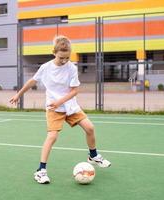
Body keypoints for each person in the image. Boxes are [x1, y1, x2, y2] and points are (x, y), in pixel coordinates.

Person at [9, 35, 111, 184]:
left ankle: (93, 156)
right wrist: (18, 94)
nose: (64, 61)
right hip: (53, 108)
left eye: (67, 58)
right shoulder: (46, 68)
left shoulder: (71, 68)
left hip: (69, 106)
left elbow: (74, 91)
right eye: (61, 58)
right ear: (54, 52)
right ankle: (40, 171)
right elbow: (32, 81)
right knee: (52, 137)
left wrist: (60, 101)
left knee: (90, 128)